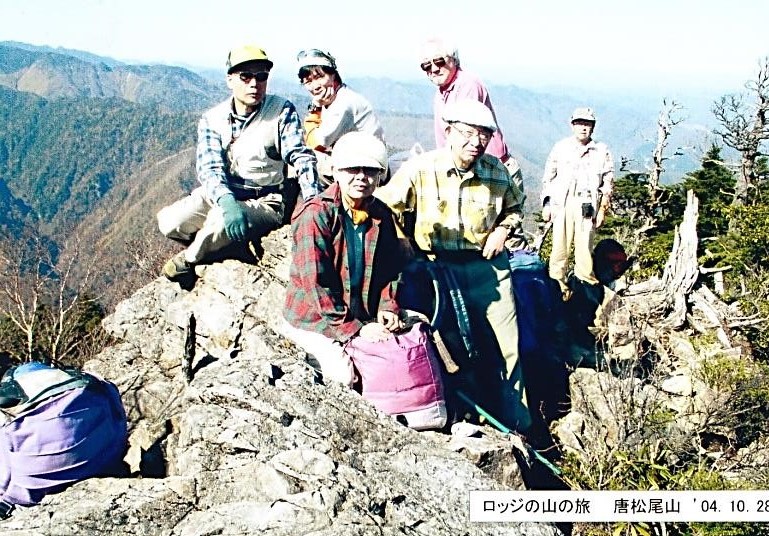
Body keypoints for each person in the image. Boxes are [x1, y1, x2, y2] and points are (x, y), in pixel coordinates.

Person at [375, 99, 531, 433]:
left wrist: (503, 230)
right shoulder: (421, 169)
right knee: (447, 346)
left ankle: (518, 425)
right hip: (436, 269)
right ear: (448, 131)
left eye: (484, 135)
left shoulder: (495, 171)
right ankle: (458, 417)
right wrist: (403, 240)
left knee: (507, 348)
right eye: (468, 132)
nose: (476, 142)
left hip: (487, 268)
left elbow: (515, 207)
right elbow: (385, 205)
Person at [157, 44, 320, 283]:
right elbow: (209, 167)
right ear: (230, 80)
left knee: (219, 221)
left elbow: (300, 155)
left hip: (266, 199)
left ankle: (189, 261)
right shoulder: (212, 119)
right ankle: (224, 243)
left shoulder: (281, 111)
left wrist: (313, 201)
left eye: (261, 76)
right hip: (225, 195)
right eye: (246, 77)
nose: (254, 84)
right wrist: (226, 200)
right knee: (170, 221)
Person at [281, 132, 409, 387]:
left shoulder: (380, 214)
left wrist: (387, 306)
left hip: (360, 310)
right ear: (337, 171)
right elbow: (315, 284)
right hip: (314, 320)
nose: (361, 177)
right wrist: (356, 329)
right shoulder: (316, 215)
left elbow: (391, 270)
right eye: (352, 169)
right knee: (344, 377)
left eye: (370, 170)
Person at [419, 37, 523, 191]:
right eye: (426, 65)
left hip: (492, 173)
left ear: (454, 60)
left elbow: (466, 137)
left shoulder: (468, 84)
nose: (433, 69)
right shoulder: (441, 93)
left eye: (439, 61)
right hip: (470, 171)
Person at [541, 107, 614, 300]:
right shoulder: (560, 147)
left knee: (585, 250)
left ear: (593, 127)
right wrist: (547, 205)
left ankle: (585, 291)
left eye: (587, 124)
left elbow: (607, 183)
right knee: (559, 249)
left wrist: (603, 210)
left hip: (587, 205)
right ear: (572, 125)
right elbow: (548, 178)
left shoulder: (601, 151)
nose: (583, 127)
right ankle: (557, 289)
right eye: (580, 123)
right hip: (561, 204)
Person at [297, 49, 385, 186]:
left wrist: (315, 110)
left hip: (367, 171)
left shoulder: (344, 104)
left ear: (333, 75)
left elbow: (316, 143)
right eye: (308, 81)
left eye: (320, 77)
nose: (315, 86)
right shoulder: (334, 99)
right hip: (356, 163)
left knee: (300, 159)